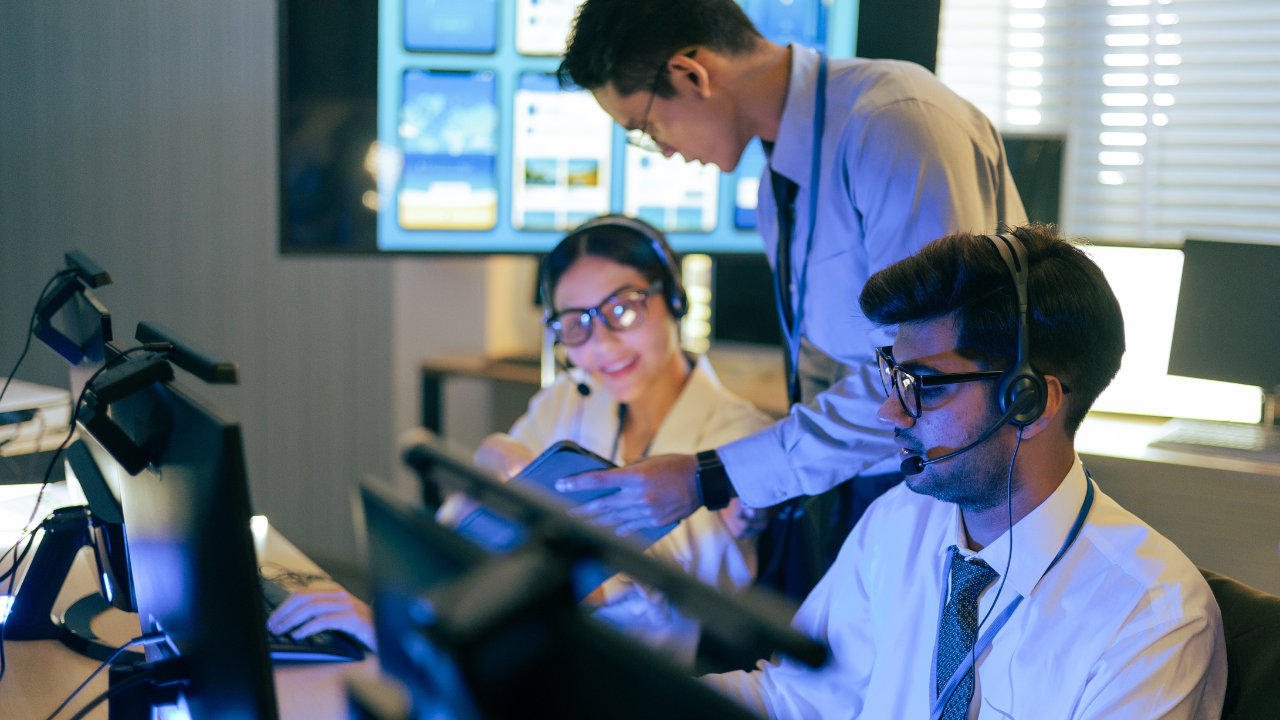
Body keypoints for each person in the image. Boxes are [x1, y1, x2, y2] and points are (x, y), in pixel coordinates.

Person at [553, 0, 1029, 595]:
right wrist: (757, 484)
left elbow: (929, 378)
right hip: (869, 483)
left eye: (648, 130)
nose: (665, 151)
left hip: (955, 489)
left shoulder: (895, 121)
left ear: (689, 75)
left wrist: (713, 477)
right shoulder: (777, 187)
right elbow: (836, 368)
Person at [702, 224, 1227, 719]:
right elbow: (794, 700)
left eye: (926, 384)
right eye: (896, 377)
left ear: (1029, 401)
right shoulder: (897, 524)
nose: (892, 412)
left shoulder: (1153, 616)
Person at [269, 216, 773, 667]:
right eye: (575, 324)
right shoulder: (568, 400)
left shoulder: (737, 437)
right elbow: (474, 520)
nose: (601, 345)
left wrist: (418, 621)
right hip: (512, 655)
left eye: (622, 309)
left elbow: (663, 574)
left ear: (675, 299)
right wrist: (489, 473)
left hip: (616, 679)